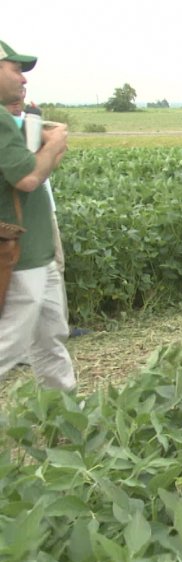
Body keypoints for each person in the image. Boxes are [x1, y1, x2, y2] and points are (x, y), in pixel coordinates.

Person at [0, 39, 75, 391]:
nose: (23, 80)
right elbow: (28, 178)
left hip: (37, 252)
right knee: (9, 345)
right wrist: (57, 141)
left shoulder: (10, 123)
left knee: (51, 337)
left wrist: (48, 143)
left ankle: (66, 417)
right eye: (16, 70)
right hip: (18, 254)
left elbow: (39, 170)